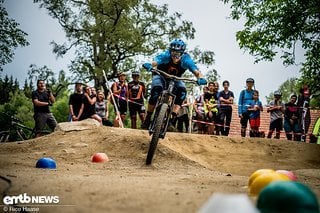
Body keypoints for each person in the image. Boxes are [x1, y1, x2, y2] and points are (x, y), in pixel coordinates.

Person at [141, 38, 207, 130]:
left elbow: (196, 72)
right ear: (170, 51)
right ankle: (148, 118)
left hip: (176, 79)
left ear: (182, 53)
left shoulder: (186, 60)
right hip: (160, 76)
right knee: (156, 89)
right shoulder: (166, 55)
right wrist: (150, 65)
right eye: (173, 53)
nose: (175, 56)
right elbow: (155, 62)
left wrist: (201, 78)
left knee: (182, 91)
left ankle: (172, 118)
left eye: (178, 53)